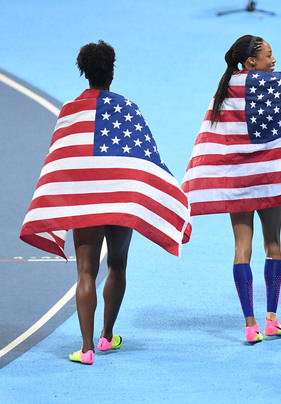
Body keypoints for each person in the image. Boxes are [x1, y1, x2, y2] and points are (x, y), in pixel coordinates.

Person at [20, 40, 190, 364]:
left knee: (86, 272)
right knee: (117, 265)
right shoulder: (129, 109)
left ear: (84, 73)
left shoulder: (69, 112)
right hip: (121, 201)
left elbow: (60, 161)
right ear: (112, 72)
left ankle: (86, 349)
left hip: (86, 204)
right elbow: (147, 159)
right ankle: (107, 337)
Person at [184, 35, 281, 343]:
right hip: (269, 179)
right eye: (268, 56)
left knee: (241, 248)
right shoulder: (267, 86)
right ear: (251, 62)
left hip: (239, 183)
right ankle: (272, 319)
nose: (274, 61)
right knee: (273, 243)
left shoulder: (225, 88)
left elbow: (214, 138)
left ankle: (250, 326)